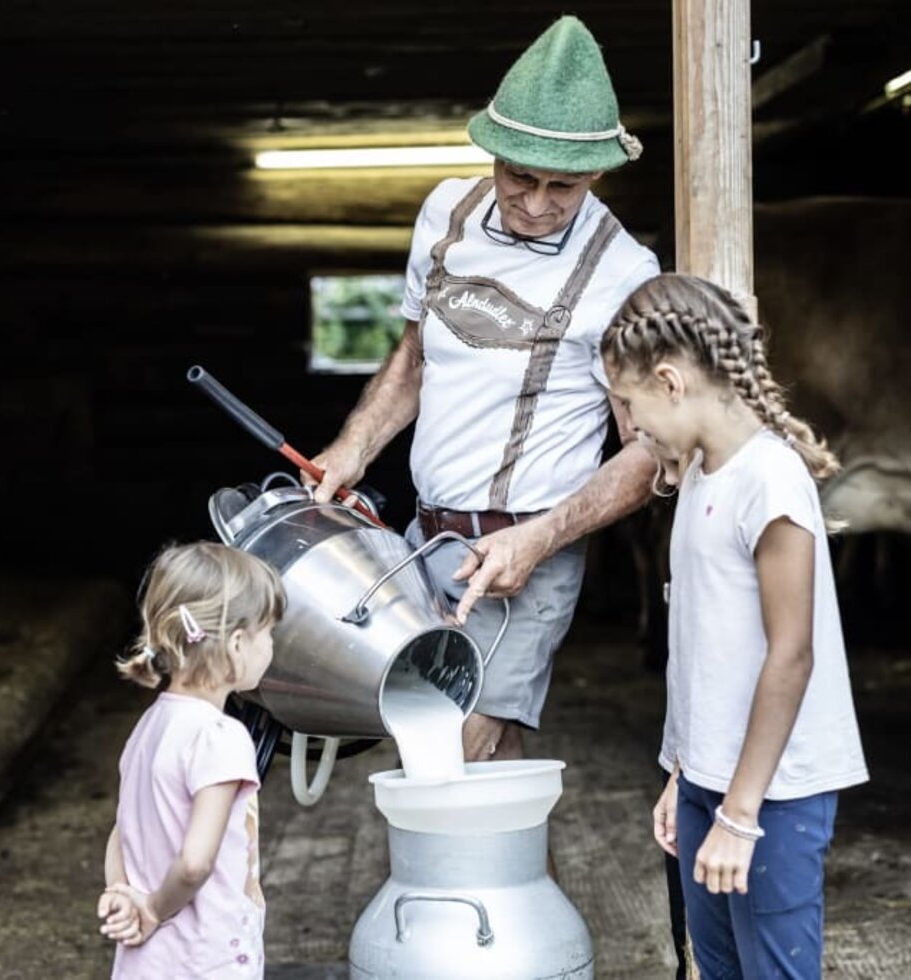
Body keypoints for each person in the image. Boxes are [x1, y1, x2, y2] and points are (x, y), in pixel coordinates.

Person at [308, 15, 659, 763]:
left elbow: (650, 452)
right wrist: (349, 451)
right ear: (491, 154)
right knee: (429, 755)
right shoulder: (446, 214)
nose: (533, 202)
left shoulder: (625, 274)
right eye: (517, 177)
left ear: (598, 174)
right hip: (422, 538)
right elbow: (412, 359)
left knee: (459, 755)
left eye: (560, 186)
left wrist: (540, 539)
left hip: (526, 551)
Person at [600, 273, 869, 979]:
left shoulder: (770, 481)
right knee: (714, 966)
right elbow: (708, 647)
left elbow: (791, 657)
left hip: (773, 794)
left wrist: (739, 814)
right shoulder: (699, 475)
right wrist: (685, 774)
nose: (628, 429)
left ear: (668, 381)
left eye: (626, 405)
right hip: (709, 782)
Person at [96, 541, 286, 979]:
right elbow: (197, 861)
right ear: (238, 644)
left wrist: (122, 892)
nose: (271, 647)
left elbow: (120, 833)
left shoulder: (149, 726)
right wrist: (153, 911)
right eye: (269, 634)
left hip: (147, 963)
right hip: (206, 958)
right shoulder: (221, 738)